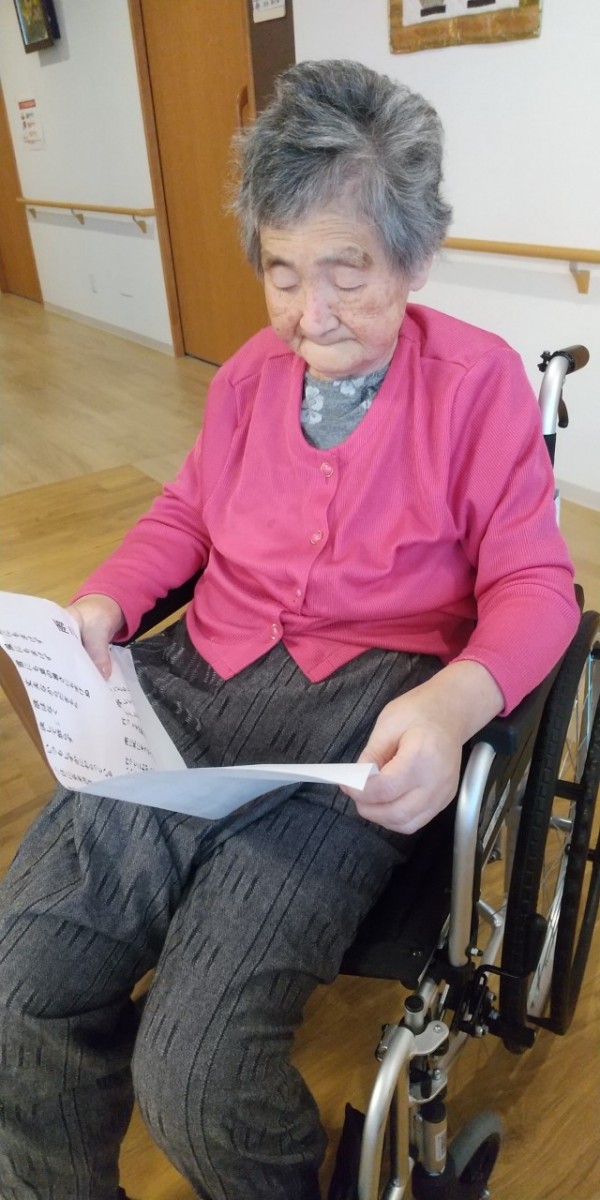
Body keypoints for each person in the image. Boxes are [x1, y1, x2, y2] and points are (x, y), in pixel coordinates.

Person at [0, 60, 579, 1200]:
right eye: (280, 272)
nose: (309, 314)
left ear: (414, 257)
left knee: (200, 1079)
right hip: (186, 692)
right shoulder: (248, 379)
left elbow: (536, 585)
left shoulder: (477, 385)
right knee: (17, 988)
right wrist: (106, 602)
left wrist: (453, 700)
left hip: (356, 736)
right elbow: (184, 514)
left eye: (346, 274)